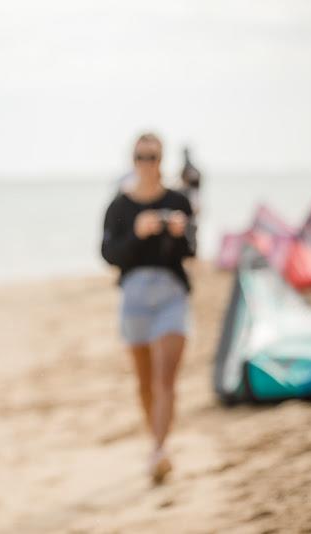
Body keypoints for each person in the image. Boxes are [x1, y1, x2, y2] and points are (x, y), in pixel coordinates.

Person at [101, 132, 195, 484]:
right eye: (141, 156)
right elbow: (109, 255)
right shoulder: (119, 206)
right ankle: (155, 442)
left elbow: (191, 252)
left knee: (165, 376)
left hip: (172, 295)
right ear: (132, 159)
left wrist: (180, 233)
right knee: (145, 383)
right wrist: (138, 233)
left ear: (162, 159)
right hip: (134, 298)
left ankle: (160, 448)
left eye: (153, 156)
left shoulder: (178, 200)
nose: (147, 162)